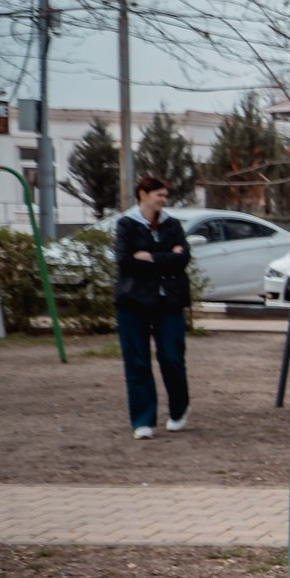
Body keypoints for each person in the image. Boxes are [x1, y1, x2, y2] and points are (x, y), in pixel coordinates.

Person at [113, 176, 191, 439]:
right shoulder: (126, 224)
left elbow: (183, 259)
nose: (163, 200)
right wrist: (167, 257)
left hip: (168, 301)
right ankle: (143, 421)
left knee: (172, 356)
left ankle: (178, 410)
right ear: (143, 194)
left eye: (165, 195)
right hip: (133, 302)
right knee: (137, 360)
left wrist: (150, 257)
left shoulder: (172, 225)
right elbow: (124, 260)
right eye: (159, 194)